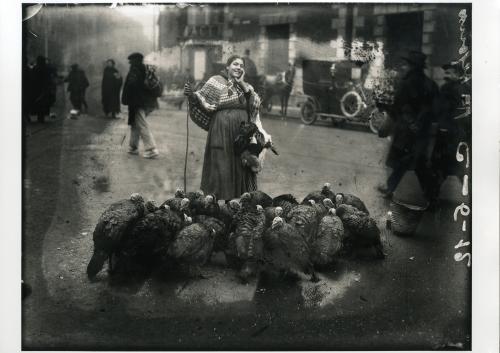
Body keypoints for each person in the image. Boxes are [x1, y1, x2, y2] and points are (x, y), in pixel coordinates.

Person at [184, 55, 271, 200]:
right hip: (221, 131)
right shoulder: (215, 81)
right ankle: (214, 201)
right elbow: (202, 99)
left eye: (241, 66)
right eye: (235, 64)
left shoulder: (246, 86)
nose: (238, 67)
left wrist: (242, 83)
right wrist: (191, 95)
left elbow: (254, 105)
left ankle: (236, 203)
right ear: (227, 67)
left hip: (242, 133)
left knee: (240, 165)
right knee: (221, 165)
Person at [377, 51, 438, 201]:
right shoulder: (430, 84)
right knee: (412, 161)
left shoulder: (406, 83)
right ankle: (391, 188)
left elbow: (398, 106)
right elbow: (435, 108)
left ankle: (430, 194)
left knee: (411, 162)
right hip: (422, 129)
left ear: (412, 66)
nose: (403, 67)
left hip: (406, 130)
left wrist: (386, 113)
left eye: (406, 64)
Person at [426, 61, 471, 205]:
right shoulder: (467, 89)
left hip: (447, 134)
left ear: (457, 74)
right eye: (445, 72)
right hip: (460, 135)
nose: (445, 75)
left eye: (449, 72)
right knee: (458, 168)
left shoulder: (447, 89)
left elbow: (438, 110)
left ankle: (432, 198)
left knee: (439, 167)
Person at [121, 52, 159, 159]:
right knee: (135, 123)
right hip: (141, 101)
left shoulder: (135, 70)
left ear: (135, 61)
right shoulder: (143, 69)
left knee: (141, 124)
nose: (130, 63)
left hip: (137, 102)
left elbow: (132, 86)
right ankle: (133, 147)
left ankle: (151, 149)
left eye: (131, 61)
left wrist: (128, 98)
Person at [29, 56, 53, 123]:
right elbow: (49, 78)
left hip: (37, 88)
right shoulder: (47, 68)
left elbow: (32, 78)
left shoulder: (35, 68)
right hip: (44, 88)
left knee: (38, 103)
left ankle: (40, 117)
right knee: (44, 103)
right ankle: (41, 117)